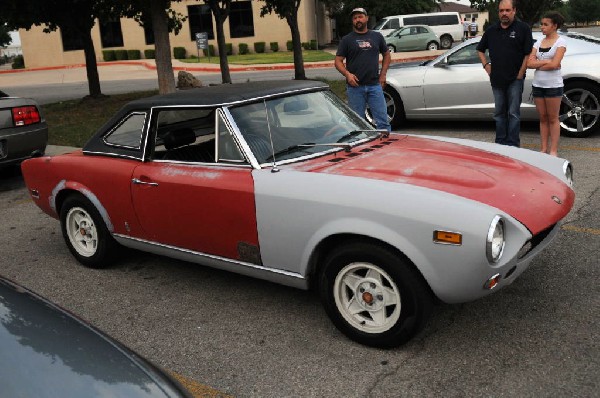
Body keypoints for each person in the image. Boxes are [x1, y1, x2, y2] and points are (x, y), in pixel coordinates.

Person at [477, 0, 533, 147]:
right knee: (499, 114)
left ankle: (513, 144)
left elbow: (528, 53)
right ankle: (500, 144)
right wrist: (486, 65)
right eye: (501, 11)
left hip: (515, 79)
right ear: (498, 12)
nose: (504, 13)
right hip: (496, 79)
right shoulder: (491, 30)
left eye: (507, 10)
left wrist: (521, 73)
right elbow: (480, 49)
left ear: (514, 10)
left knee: (513, 114)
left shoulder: (523, 28)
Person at [335, 7, 391, 132]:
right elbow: (338, 61)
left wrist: (383, 74)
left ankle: (385, 147)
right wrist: (347, 74)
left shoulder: (377, 36)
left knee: (383, 122)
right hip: (355, 88)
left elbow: (387, 54)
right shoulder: (347, 40)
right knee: (356, 124)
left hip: (374, 86)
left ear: (366, 18)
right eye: (354, 18)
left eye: (360, 17)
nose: (357, 20)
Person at [526, 12, 567, 156]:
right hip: (538, 85)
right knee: (542, 118)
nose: (542, 27)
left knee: (553, 118)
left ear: (554, 26)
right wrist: (546, 62)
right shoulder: (538, 42)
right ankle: (543, 148)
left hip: (553, 86)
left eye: (545, 24)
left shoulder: (560, 42)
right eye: (541, 24)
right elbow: (529, 63)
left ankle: (553, 150)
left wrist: (540, 63)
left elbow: (555, 64)